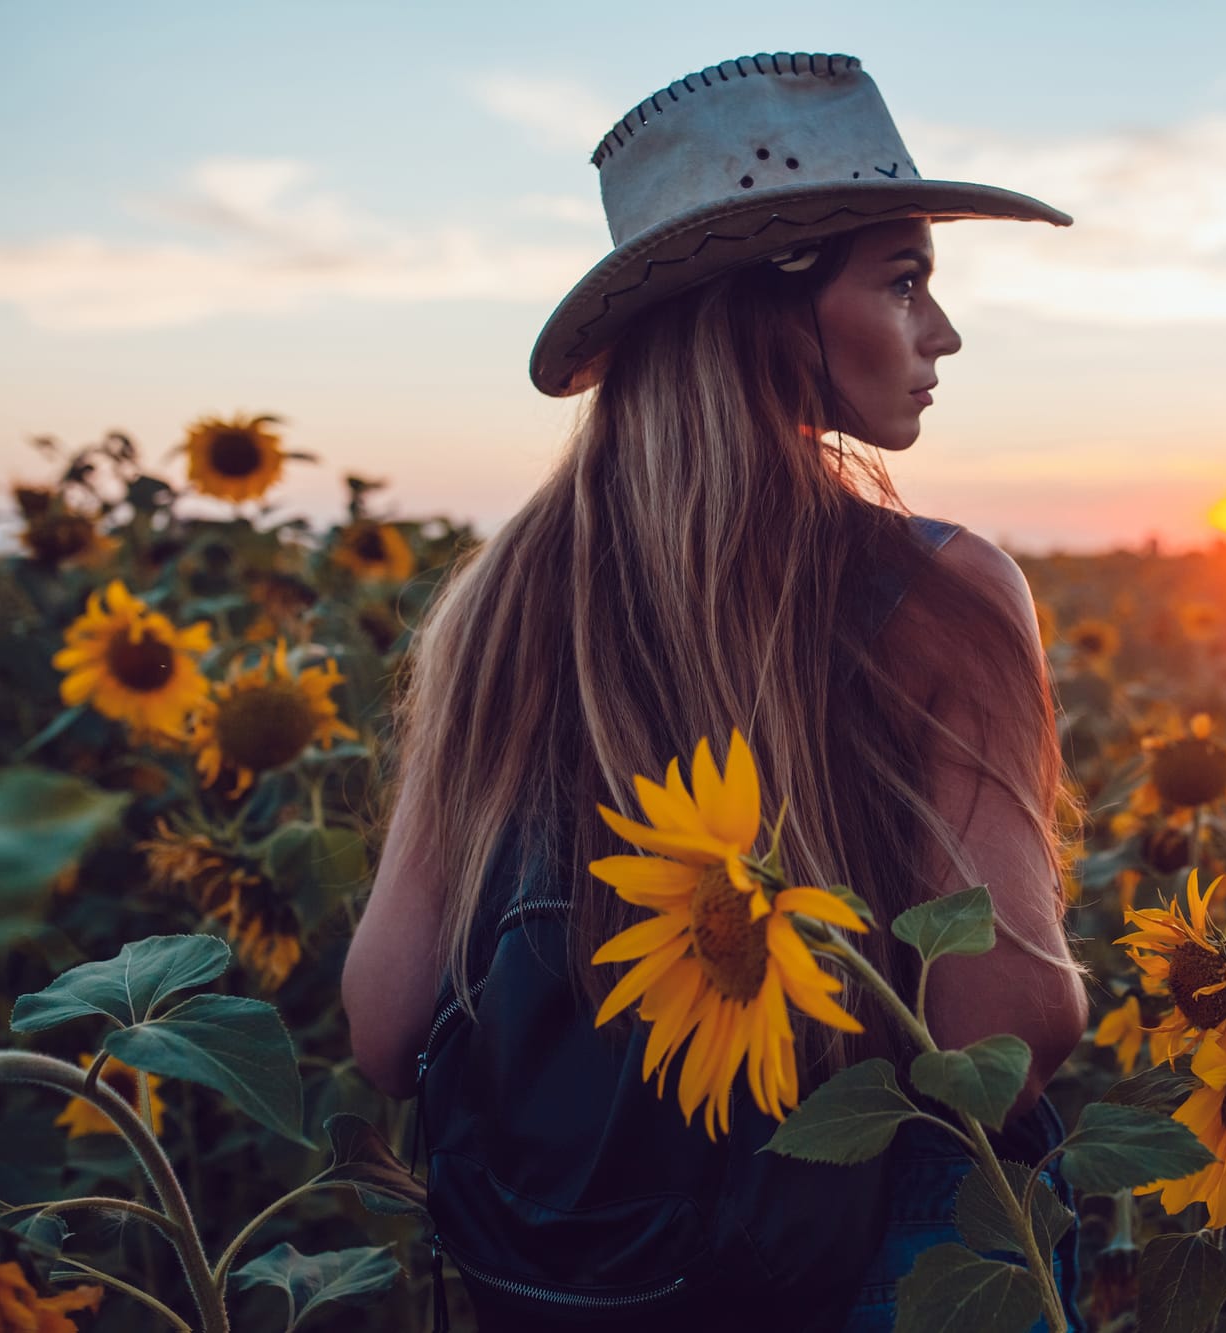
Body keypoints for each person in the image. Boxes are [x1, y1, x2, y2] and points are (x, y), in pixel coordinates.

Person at [341, 51, 1089, 1330]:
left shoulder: (491, 607)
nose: (940, 332)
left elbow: (387, 1022)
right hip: (854, 1269)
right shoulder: (939, 590)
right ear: (767, 302)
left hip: (569, 1272)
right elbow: (997, 1028)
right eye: (902, 281)